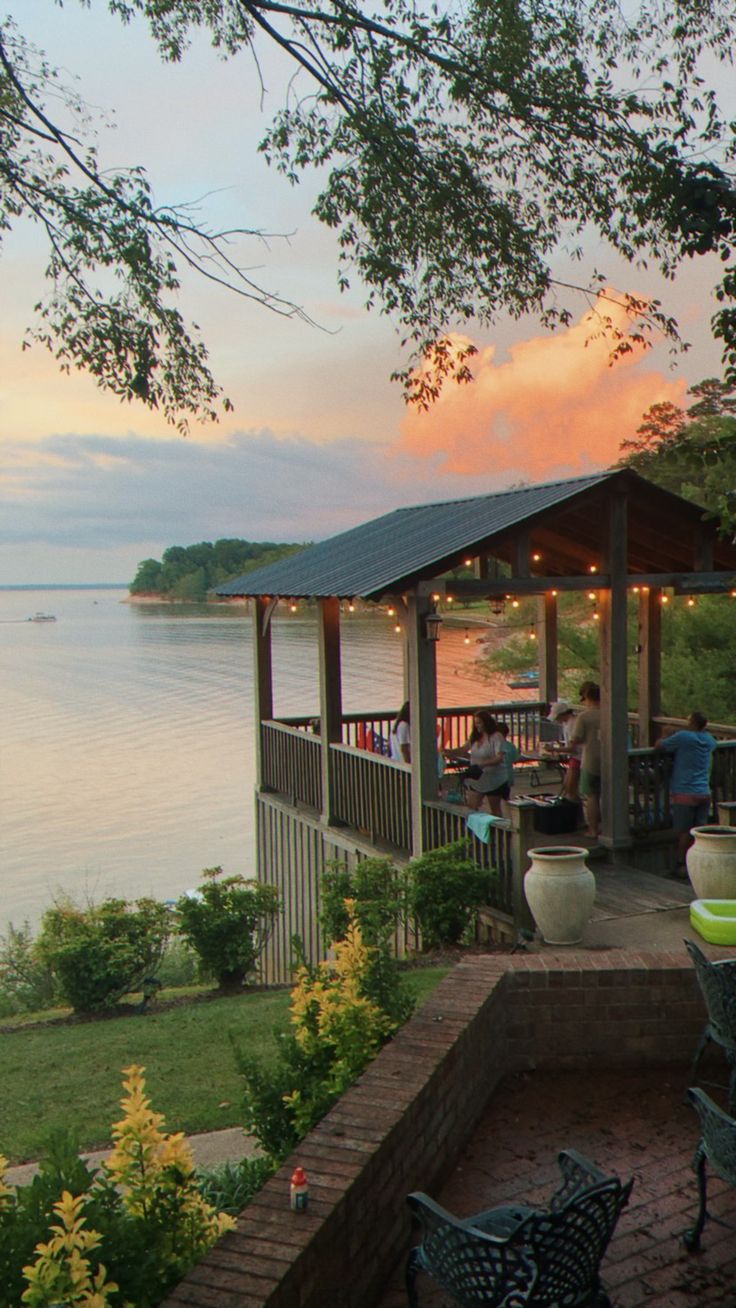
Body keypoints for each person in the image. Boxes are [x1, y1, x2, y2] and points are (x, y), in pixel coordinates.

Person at [655, 711, 717, 870]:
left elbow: (660, 746)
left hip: (685, 792)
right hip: (704, 791)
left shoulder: (683, 737)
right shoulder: (710, 740)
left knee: (684, 832)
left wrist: (664, 734)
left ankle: (681, 863)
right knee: (699, 832)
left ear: (692, 724)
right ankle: (700, 863)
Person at [452, 709, 509, 815]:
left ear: (486, 722)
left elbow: (499, 758)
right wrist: (449, 752)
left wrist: (482, 764)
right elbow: (463, 749)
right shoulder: (474, 737)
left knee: (495, 810)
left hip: (494, 780)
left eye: (479, 723)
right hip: (477, 779)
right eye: (475, 723)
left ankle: (497, 831)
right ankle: (474, 830)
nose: (476, 726)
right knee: (471, 808)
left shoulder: (497, 737)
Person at [570, 681, 601, 838]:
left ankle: (593, 830)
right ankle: (610, 827)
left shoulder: (584, 716)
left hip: (590, 761)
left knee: (592, 796)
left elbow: (576, 739)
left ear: (587, 697)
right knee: (609, 795)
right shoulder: (610, 713)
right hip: (610, 760)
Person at [547, 700, 580, 801]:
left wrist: (554, 749)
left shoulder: (572, 724)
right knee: (567, 786)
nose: (557, 720)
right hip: (575, 757)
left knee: (570, 787)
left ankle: (575, 811)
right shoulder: (567, 724)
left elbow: (572, 747)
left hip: (578, 757)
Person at [498, 721, 520, 791]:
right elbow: (515, 759)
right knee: (506, 795)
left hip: (497, 777)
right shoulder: (511, 746)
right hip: (508, 776)